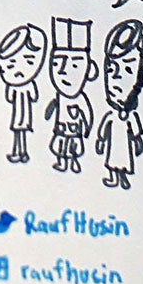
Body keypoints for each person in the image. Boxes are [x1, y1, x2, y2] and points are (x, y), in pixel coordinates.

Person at [96, 20, 143, 189]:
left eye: (128, 70)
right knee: (113, 160)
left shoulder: (131, 116)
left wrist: (137, 141)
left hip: (124, 146)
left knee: (123, 160)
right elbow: (103, 129)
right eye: (111, 69)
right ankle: (115, 178)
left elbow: (136, 131)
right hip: (114, 146)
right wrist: (100, 140)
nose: (116, 78)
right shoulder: (111, 115)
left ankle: (123, 178)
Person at [43, 18, 95, 173]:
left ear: (90, 70)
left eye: (74, 65)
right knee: (60, 147)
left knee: (72, 148)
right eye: (57, 63)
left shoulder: (80, 98)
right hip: (60, 129)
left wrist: (87, 129)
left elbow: (87, 113)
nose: (63, 71)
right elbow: (53, 106)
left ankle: (73, 163)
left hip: (74, 130)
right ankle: (61, 162)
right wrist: (49, 112)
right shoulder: (60, 96)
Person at [0, 23, 47, 164]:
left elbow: (32, 96)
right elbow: (26, 97)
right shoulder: (15, 86)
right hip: (18, 115)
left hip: (24, 115)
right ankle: (18, 152)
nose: (19, 70)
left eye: (28, 62)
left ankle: (22, 152)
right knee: (18, 133)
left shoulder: (28, 84)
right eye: (11, 65)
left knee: (21, 134)